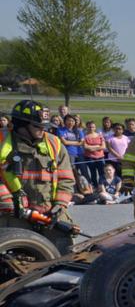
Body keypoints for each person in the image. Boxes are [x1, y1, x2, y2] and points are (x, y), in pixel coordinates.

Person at [0, 99, 77, 253]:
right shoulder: (2, 142)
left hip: (50, 215)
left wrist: (59, 205)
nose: (43, 130)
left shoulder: (54, 143)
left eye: (45, 126)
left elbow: (66, 178)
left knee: (63, 258)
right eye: (38, 126)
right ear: (22, 124)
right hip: (14, 216)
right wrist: (10, 202)